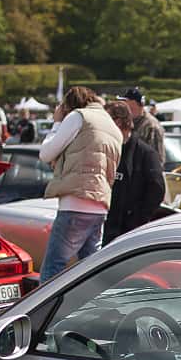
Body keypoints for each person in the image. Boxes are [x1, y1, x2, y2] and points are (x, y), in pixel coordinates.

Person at [37, 87, 122, 276]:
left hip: (75, 201)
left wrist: (57, 122)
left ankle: (48, 307)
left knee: (53, 268)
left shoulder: (78, 117)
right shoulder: (111, 125)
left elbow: (45, 153)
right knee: (90, 273)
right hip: (100, 204)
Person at [103, 101, 166, 243]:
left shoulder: (145, 153)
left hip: (130, 231)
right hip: (108, 226)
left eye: (105, 121)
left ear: (118, 122)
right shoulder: (110, 149)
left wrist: (138, 219)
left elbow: (157, 188)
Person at [121, 87, 165, 160]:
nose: (124, 104)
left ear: (134, 103)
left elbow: (157, 156)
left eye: (126, 101)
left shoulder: (151, 125)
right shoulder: (130, 121)